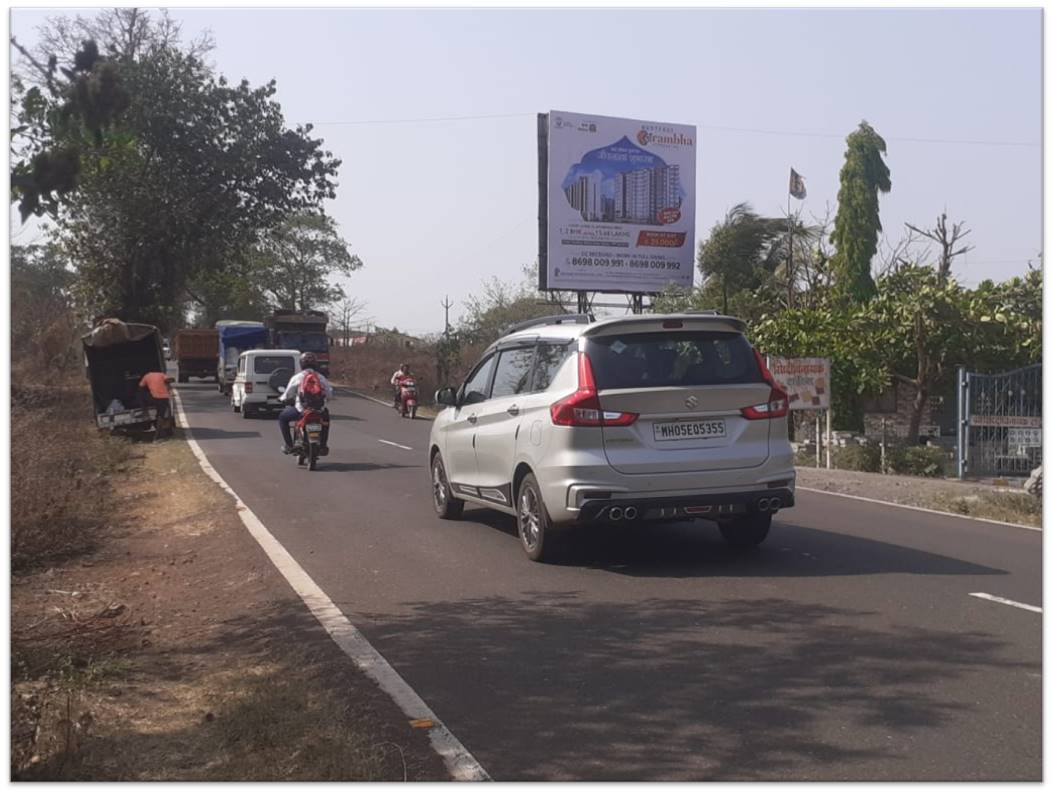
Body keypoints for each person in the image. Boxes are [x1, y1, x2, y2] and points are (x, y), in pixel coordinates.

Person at [279, 352, 334, 455]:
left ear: (301, 364)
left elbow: (287, 394)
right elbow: (329, 395)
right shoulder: (321, 377)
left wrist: (282, 399)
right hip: (319, 411)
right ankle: (323, 446)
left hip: (301, 411)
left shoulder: (297, 377)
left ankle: (289, 445)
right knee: (325, 421)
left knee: (282, 418)